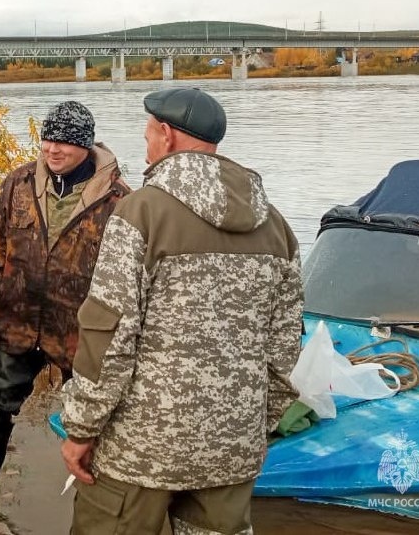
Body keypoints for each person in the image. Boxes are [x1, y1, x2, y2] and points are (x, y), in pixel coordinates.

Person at [60, 88, 304, 535]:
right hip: (231, 447)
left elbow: (108, 335)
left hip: (140, 448)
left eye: (150, 132)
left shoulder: (141, 212)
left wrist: (81, 427)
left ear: (167, 136)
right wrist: (254, 421)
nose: (148, 142)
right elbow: (285, 345)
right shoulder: (277, 226)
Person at [0, 101, 131, 534]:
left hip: (80, 337)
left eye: (64, 140)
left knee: (91, 426)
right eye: (48, 138)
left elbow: (128, 277)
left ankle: (92, 517)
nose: (53, 148)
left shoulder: (121, 199)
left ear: (85, 144)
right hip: (18, 324)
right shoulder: (18, 182)